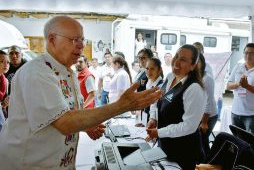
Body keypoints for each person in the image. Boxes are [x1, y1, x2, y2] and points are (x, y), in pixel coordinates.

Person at [0, 16, 162, 169]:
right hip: (28, 164)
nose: (81, 45)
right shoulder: (37, 72)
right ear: (52, 39)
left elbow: (66, 112)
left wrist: (85, 125)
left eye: (82, 40)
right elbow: (65, 122)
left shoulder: (67, 72)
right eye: (74, 40)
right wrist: (122, 105)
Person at [146, 44, 207, 169]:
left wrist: (159, 132)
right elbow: (157, 100)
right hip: (166, 147)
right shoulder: (170, 77)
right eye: (177, 56)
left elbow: (189, 126)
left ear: (192, 66)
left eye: (183, 59)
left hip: (183, 152)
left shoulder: (194, 88)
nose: (177, 61)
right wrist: (153, 118)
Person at [227, 43, 254, 134]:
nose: (248, 55)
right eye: (246, 53)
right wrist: (238, 84)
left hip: (251, 115)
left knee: (250, 144)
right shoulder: (238, 67)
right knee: (237, 142)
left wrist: (247, 86)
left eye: (251, 53)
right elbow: (228, 86)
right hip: (235, 112)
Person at [198, 53, 218, 159]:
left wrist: (204, 122)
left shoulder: (207, 78)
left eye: (198, 61)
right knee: (203, 143)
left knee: (200, 143)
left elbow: (208, 102)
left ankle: (204, 163)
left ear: (202, 63)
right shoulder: (195, 76)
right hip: (199, 116)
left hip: (208, 117)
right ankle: (207, 163)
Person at [141, 57, 163, 126]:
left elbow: (154, 105)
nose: (149, 71)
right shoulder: (149, 82)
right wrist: (143, 122)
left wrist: (151, 120)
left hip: (155, 122)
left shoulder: (161, 86)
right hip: (147, 119)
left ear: (159, 70)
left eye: (152, 69)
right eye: (147, 68)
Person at [135, 48, 154, 126]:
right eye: (139, 58)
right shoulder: (142, 71)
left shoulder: (153, 72)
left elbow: (152, 99)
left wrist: (147, 121)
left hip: (149, 108)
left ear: (150, 58)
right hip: (142, 106)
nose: (140, 60)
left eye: (143, 58)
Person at [0, 50, 10, 130]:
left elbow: (3, 106)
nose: (6, 64)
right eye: (2, 61)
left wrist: (5, 104)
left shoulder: (5, 81)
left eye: (8, 62)